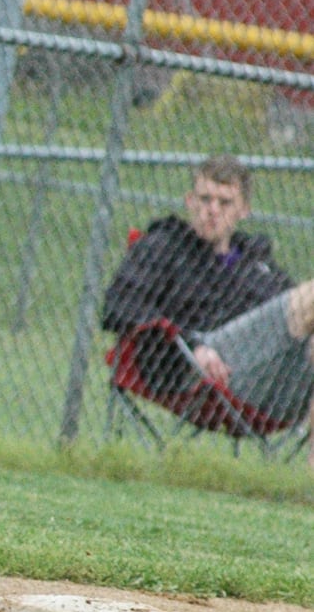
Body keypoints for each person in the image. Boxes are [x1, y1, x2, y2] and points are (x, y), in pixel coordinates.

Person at [102, 154, 314, 450]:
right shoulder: (162, 247)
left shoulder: (255, 265)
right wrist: (192, 345)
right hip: (189, 370)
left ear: (244, 211)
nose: (211, 210)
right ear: (189, 201)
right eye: (204, 199)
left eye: (224, 203)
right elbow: (117, 307)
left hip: (258, 381)